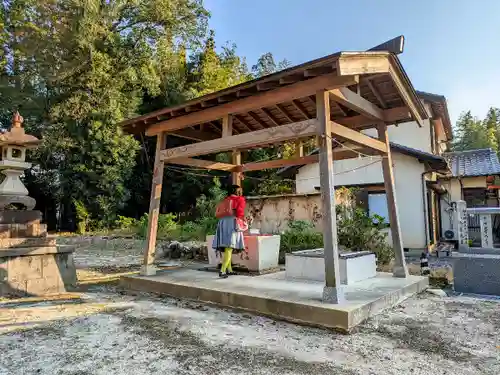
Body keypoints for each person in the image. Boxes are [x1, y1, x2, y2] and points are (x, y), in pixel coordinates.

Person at [212, 184, 246, 278]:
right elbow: (240, 213)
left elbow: (218, 213)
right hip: (232, 222)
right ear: (238, 191)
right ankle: (222, 271)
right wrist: (244, 220)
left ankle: (229, 269)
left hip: (222, 223)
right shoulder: (240, 199)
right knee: (229, 247)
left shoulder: (225, 200)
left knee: (228, 248)